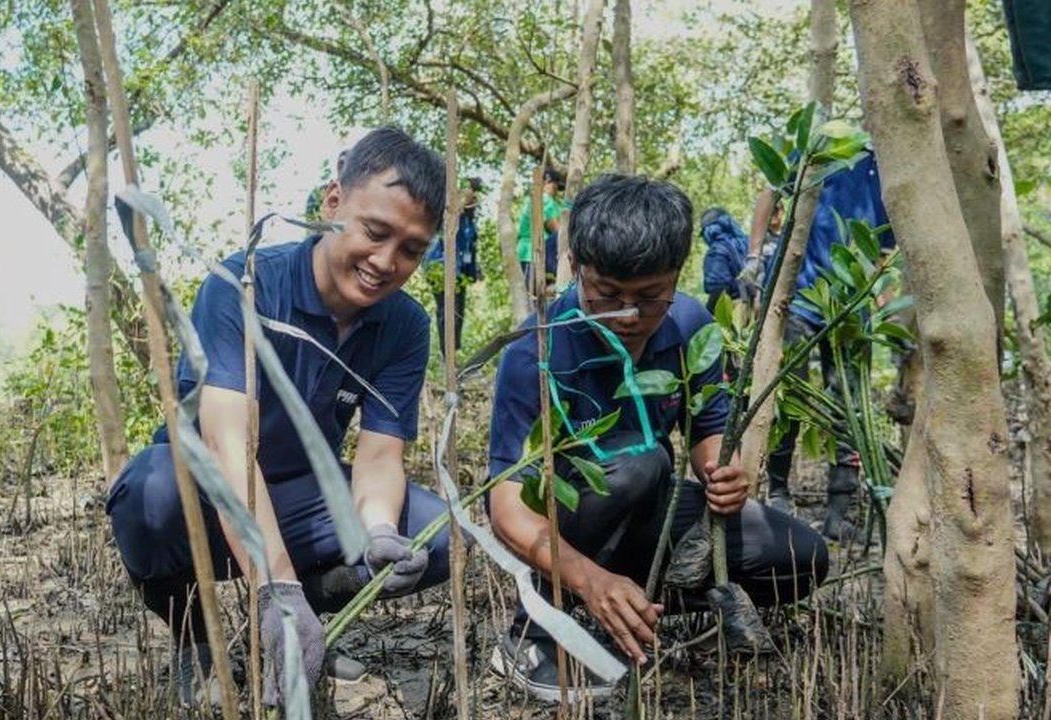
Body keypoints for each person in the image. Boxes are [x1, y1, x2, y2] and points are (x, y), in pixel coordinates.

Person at [106, 127, 453, 707]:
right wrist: (273, 588)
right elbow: (227, 443)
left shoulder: (406, 326)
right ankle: (197, 640)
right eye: (375, 232)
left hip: (301, 496)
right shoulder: (240, 285)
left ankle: (306, 622)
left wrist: (379, 534)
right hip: (209, 490)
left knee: (434, 534)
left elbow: (379, 455)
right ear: (333, 202)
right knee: (152, 492)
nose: (386, 262)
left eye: (413, 249)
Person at [487, 174, 828, 703]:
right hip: (567, 532)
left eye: (649, 297)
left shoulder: (691, 324)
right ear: (576, 267)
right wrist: (587, 580)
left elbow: (710, 429)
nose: (628, 314)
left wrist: (726, 473)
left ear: (675, 277)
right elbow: (507, 506)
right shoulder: (533, 354)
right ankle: (534, 631)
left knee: (802, 554)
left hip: (646, 516)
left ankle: (637, 606)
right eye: (608, 295)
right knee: (641, 461)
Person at [748, 150, 895, 541]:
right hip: (797, 296)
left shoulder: (891, 171)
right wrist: (754, 258)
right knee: (788, 396)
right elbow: (770, 193)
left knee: (850, 408)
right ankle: (777, 491)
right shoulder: (821, 150)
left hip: (852, 307)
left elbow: (882, 254)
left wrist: (891, 315)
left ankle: (839, 511)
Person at [424, 176, 483, 356]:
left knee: (459, 313)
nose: (472, 199)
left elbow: (468, 245)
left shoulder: (469, 220)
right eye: (469, 196)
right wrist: (461, 201)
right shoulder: (449, 213)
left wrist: (476, 267)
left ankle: (454, 352)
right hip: (440, 267)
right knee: (448, 312)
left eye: (475, 197)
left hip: (461, 272)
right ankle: (446, 356)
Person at [516, 166, 565, 289]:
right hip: (533, 253)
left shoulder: (531, 199)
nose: (556, 192)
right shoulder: (546, 200)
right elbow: (557, 230)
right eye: (556, 187)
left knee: (529, 298)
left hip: (524, 253)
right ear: (548, 183)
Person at [699, 207, 750, 314]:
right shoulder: (749, 243)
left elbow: (719, 290)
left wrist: (706, 315)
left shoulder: (716, 252)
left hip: (738, 312)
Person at [304, 148, 348, 222]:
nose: (343, 167)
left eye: (346, 163)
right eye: (341, 163)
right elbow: (311, 220)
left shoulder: (357, 193)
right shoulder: (319, 192)